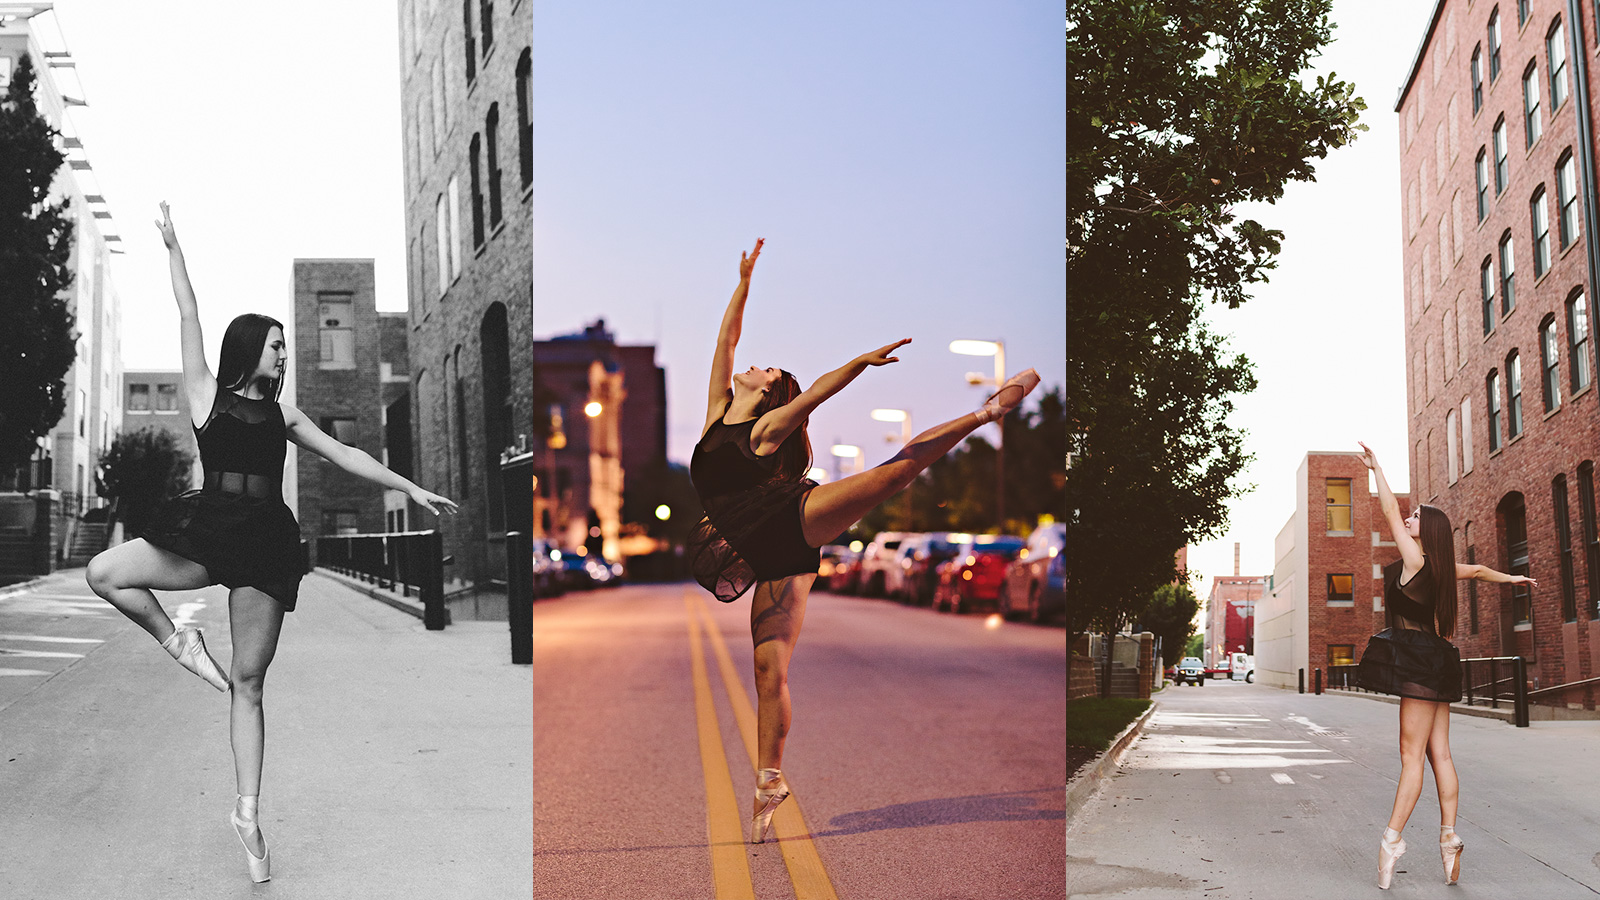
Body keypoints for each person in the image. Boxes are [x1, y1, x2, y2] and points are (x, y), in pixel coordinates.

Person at [85, 202, 458, 883]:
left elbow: (346, 456)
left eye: (285, 345)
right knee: (104, 571)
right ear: (250, 346)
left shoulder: (284, 413)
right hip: (205, 532)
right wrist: (174, 247)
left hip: (262, 546)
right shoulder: (204, 393)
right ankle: (179, 644)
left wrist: (411, 486)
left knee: (249, 684)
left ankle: (248, 815)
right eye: (277, 344)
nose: (284, 353)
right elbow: (189, 311)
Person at [687, 239, 1039, 843]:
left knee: (896, 472)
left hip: (792, 521)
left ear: (771, 394)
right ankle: (770, 781)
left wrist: (860, 362)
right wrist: (744, 281)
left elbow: (817, 391)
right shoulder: (718, 412)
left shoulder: (767, 427)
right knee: (768, 670)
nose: (757, 365)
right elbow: (727, 340)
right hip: (762, 551)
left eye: (769, 371)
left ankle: (986, 413)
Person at [1354, 442, 1535, 889]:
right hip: (1437, 659)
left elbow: (1389, 512)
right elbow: (1479, 571)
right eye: (1411, 514)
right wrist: (1512, 577)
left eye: (1416, 517)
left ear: (1427, 530)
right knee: (1442, 754)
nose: (1409, 519)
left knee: (1410, 757)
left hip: (1418, 663)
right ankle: (1449, 837)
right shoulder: (1442, 568)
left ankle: (1392, 839)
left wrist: (1378, 469)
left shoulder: (1416, 561)